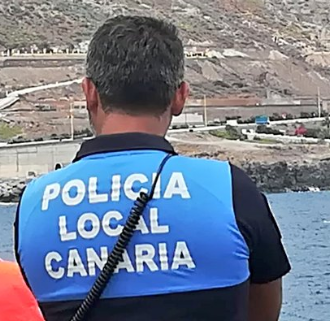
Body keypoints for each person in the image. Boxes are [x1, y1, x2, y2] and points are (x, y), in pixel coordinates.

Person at [14, 16, 291, 321]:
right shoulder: (229, 188)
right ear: (179, 97)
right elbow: (265, 308)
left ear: (89, 93)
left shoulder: (34, 203)